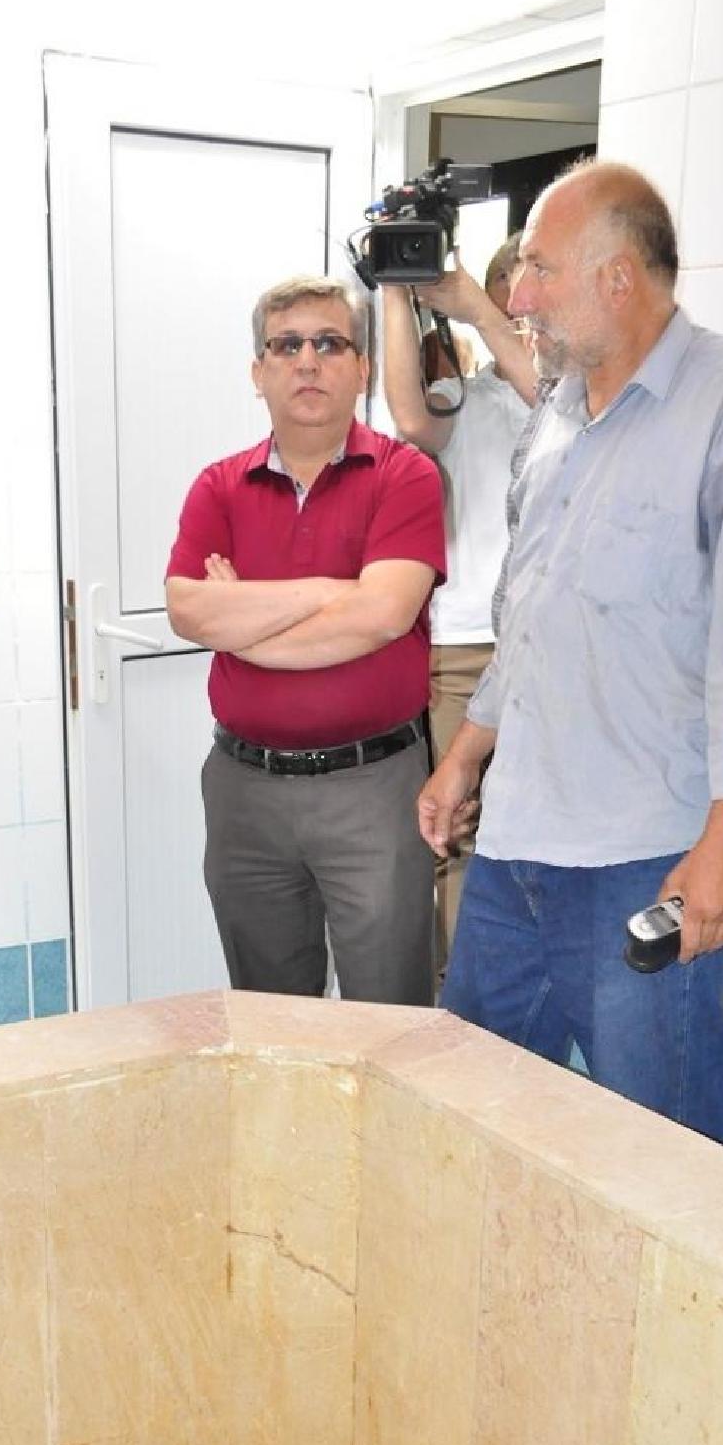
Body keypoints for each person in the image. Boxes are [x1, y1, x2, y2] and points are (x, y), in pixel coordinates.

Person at [417, 160, 723, 1143]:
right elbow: (530, 609)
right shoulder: (555, 414)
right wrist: (466, 754)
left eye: (539, 271)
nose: (517, 297)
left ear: (618, 278)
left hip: (641, 860)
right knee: (466, 1122)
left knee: (662, 1157)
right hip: (513, 850)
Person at [165, 276, 445, 1006]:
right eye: (286, 346)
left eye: (329, 343)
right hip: (245, 793)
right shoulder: (217, 487)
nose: (308, 361)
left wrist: (245, 621)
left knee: (390, 1022)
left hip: (373, 790)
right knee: (268, 1022)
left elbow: (382, 616)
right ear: (259, 371)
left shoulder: (406, 476)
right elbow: (189, 611)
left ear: (363, 368)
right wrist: (330, 591)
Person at [381, 236, 538, 973]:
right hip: (466, 647)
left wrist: (477, 308)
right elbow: (413, 419)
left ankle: (520, 1003)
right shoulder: (467, 398)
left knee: (538, 839)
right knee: (457, 836)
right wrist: (394, 287)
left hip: (552, 652)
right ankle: (459, 1004)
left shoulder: (581, 398)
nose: (528, 303)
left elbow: (555, 400)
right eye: (516, 284)